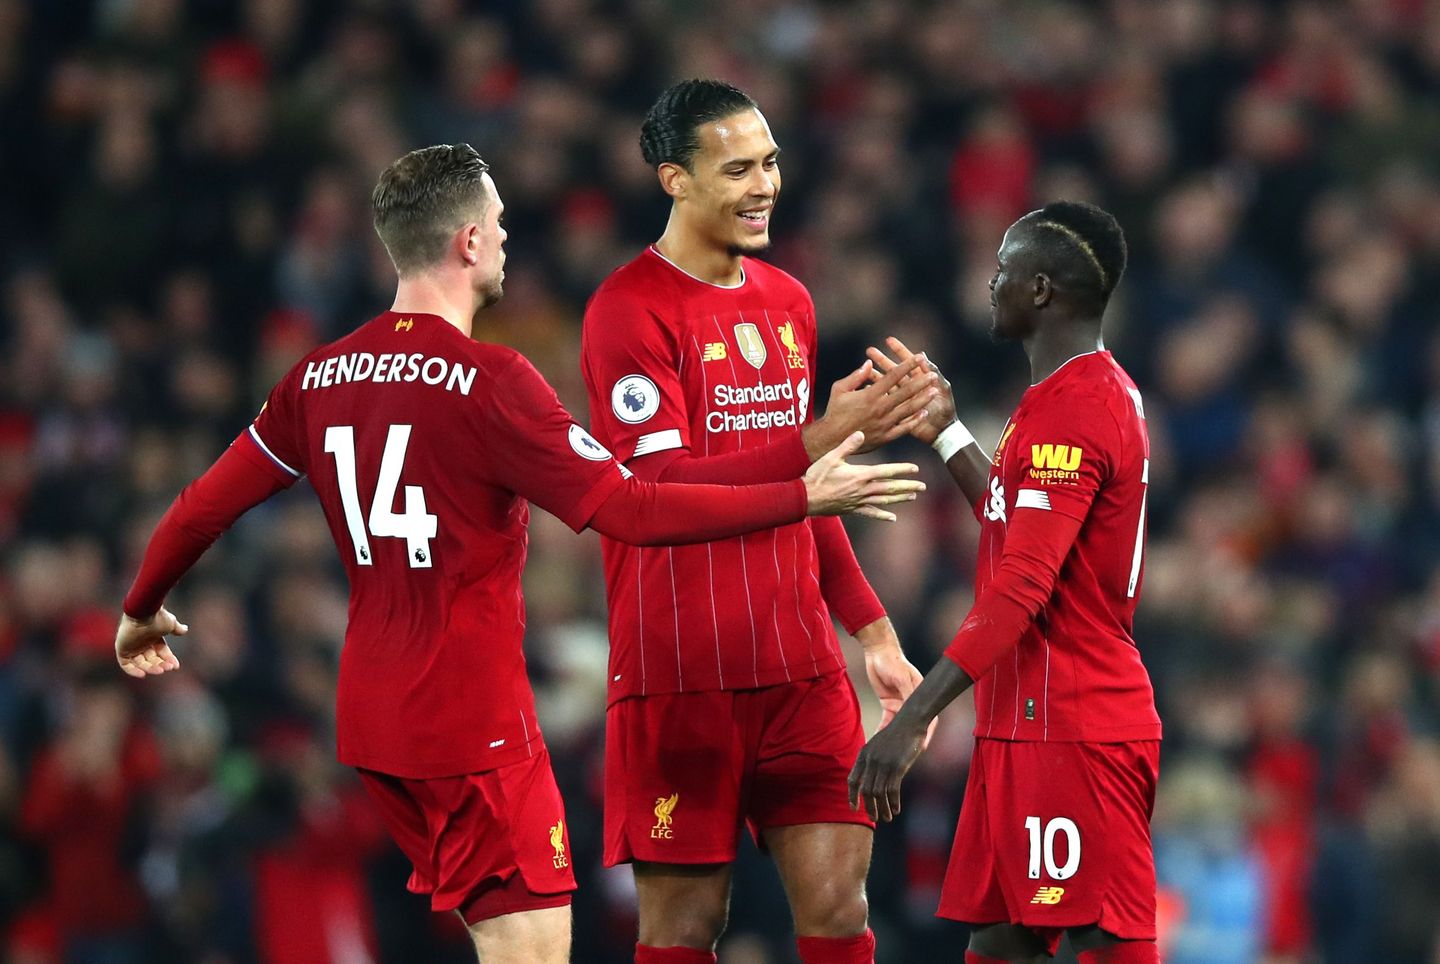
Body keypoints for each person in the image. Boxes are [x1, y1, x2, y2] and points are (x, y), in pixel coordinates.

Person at [113, 143, 927, 964]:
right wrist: (800, 490)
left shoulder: (315, 379)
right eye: (498, 224)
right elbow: (635, 510)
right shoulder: (492, 381)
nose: (507, 239)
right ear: (469, 241)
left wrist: (140, 608)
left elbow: (200, 507)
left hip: (371, 722)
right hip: (472, 724)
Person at [580, 79, 937, 964]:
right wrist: (817, 447)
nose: (765, 185)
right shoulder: (628, 310)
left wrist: (874, 633)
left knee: (840, 911)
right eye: (737, 169)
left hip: (801, 674)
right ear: (675, 180)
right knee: (683, 930)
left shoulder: (788, 302)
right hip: (679, 679)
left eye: (770, 163)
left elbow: (810, 492)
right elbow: (658, 490)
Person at [848, 201, 1162, 964]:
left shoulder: (1076, 408)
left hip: (1074, 726)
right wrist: (947, 431)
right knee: (996, 944)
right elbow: (1013, 523)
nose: (991, 285)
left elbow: (1022, 586)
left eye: (1003, 270)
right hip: (1022, 722)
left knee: (1105, 942)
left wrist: (913, 718)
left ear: (1042, 290)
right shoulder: (1066, 396)